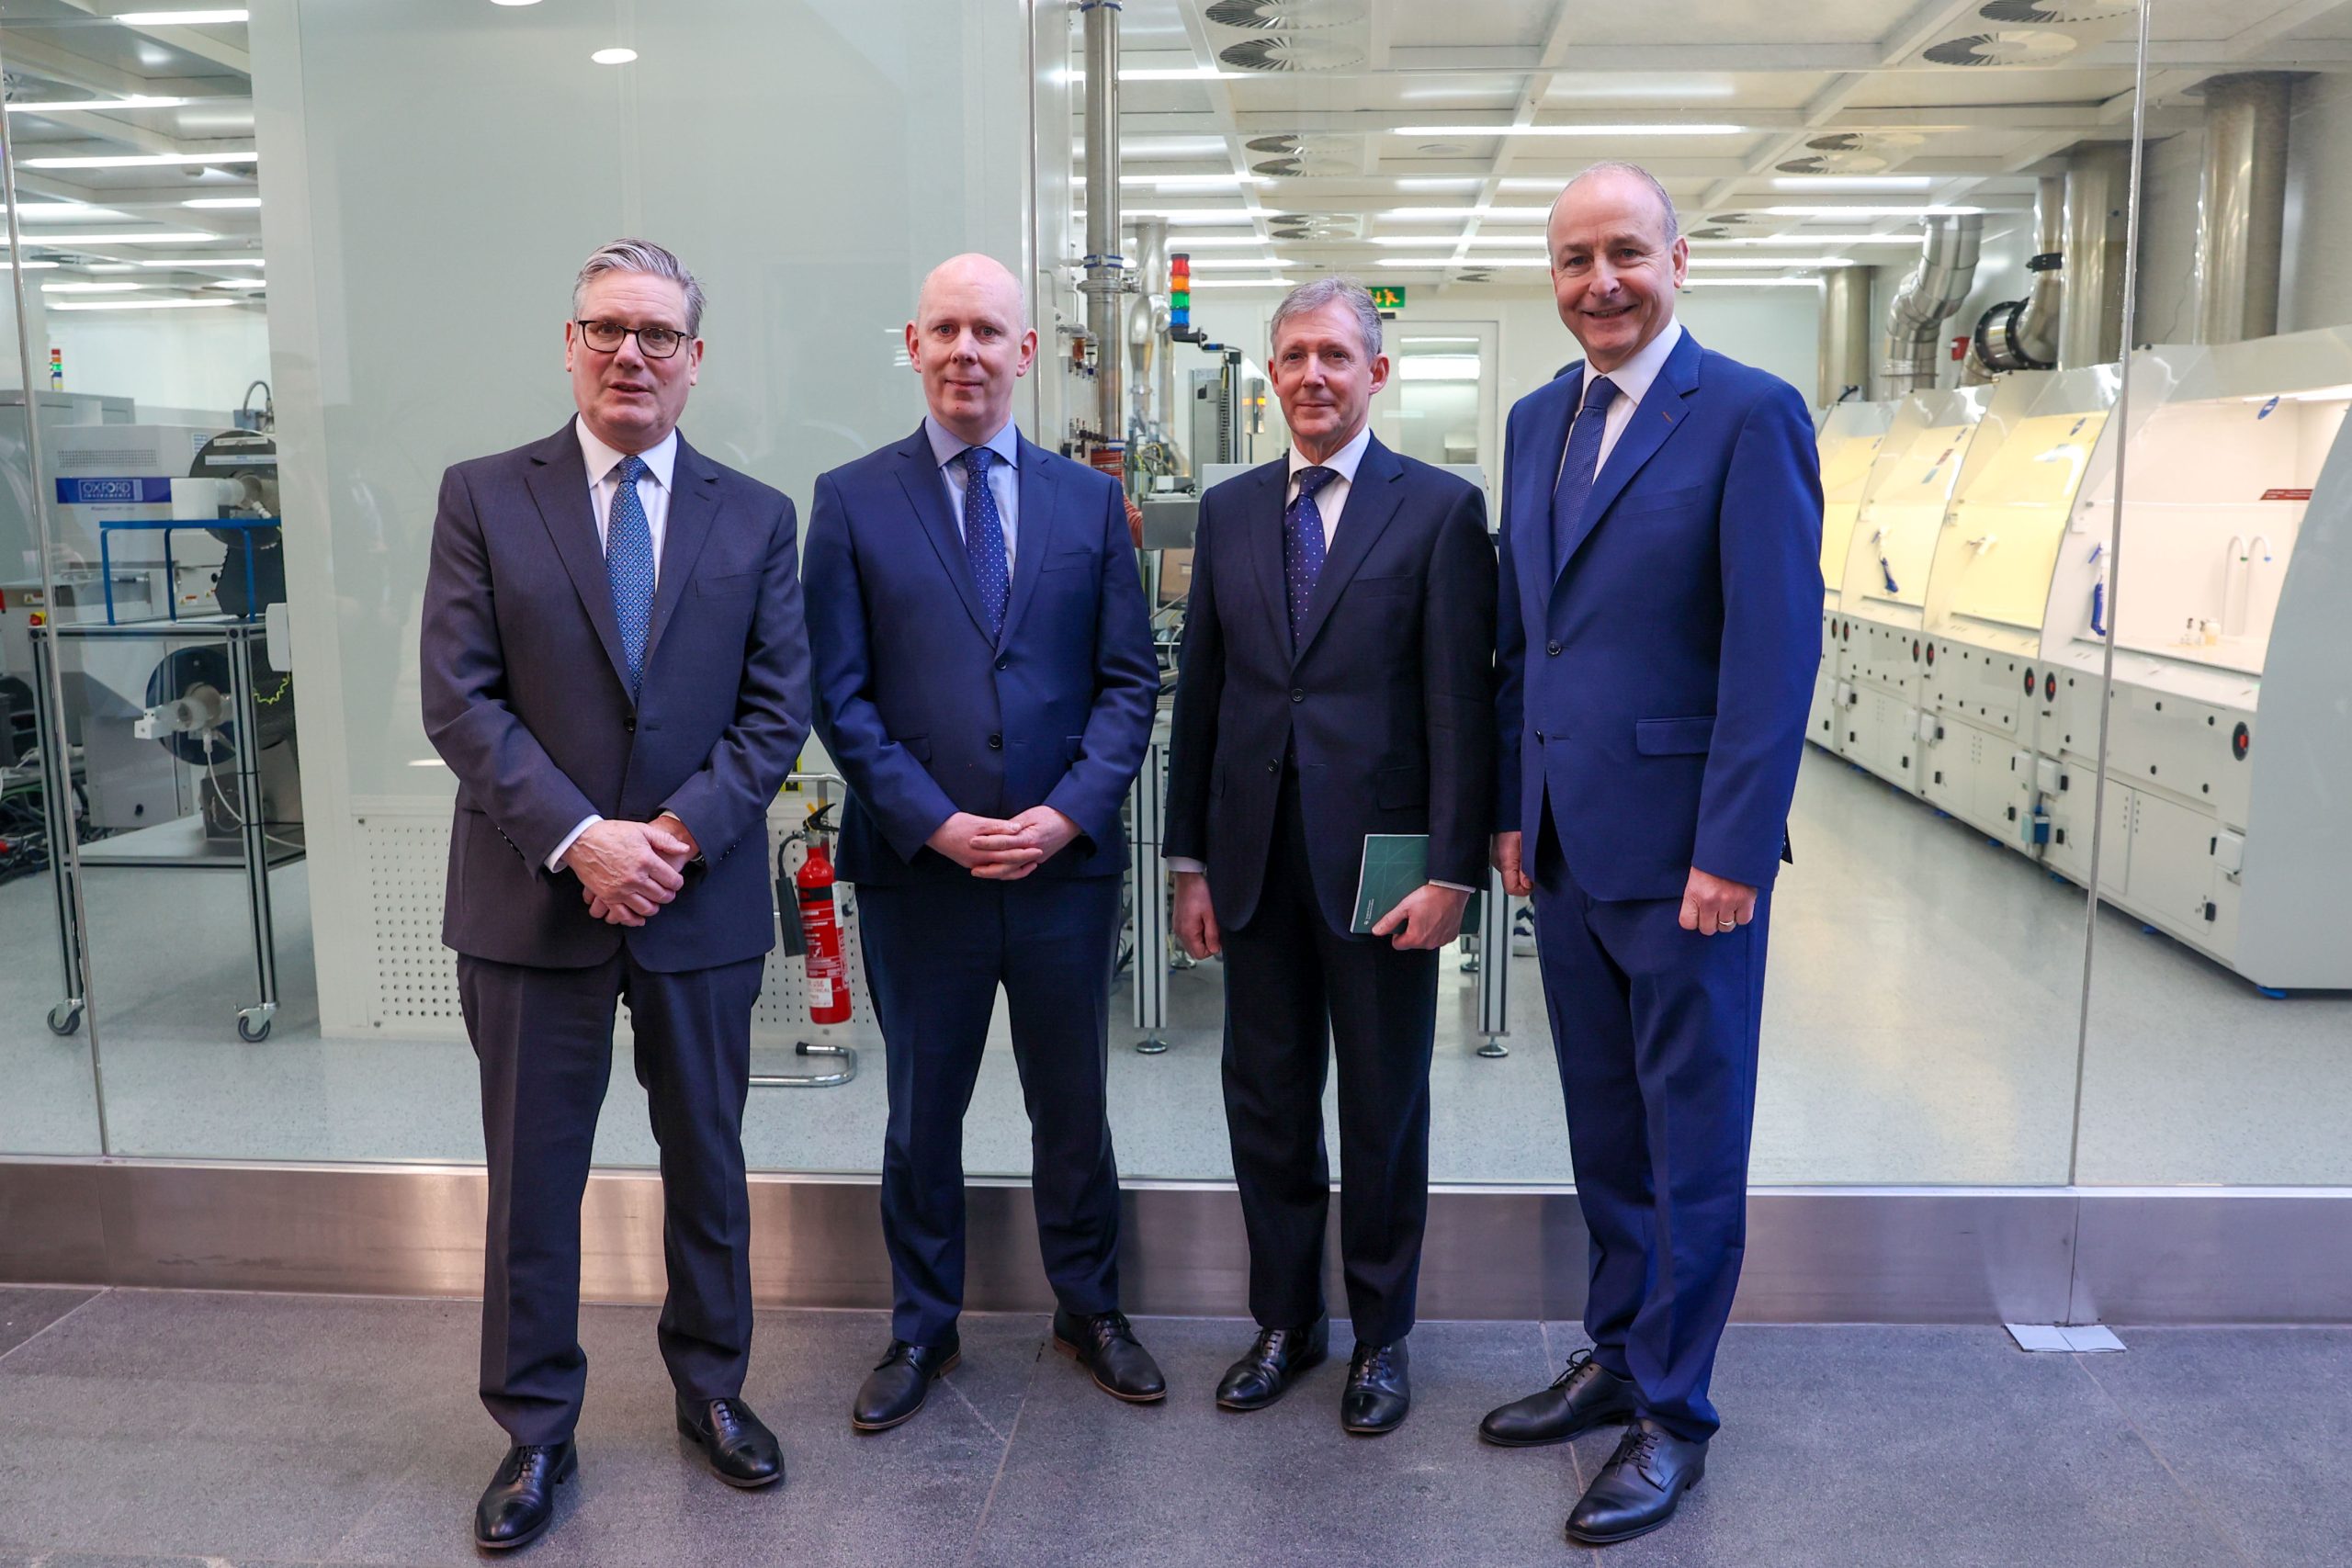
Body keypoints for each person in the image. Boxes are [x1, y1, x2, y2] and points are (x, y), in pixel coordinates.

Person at [421, 239, 811, 1551]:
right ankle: (535, 1428)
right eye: (606, 329)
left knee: (710, 1162)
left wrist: (672, 838)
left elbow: (775, 713)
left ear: (696, 359)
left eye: (657, 333)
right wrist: (585, 837)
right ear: (569, 343)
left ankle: (714, 1388)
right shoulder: (483, 495)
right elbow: (459, 700)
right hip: (534, 903)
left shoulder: (755, 516)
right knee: (535, 1177)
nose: (630, 352)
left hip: (695, 903)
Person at [1481, 163, 1822, 1546]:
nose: (1599, 281)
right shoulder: (1532, 419)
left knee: (1692, 1139)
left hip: (1693, 861)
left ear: (1679, 256)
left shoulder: (1746, 414)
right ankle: (1617, 1349)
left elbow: (1773, 646)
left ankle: (1675, 1413)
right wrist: (1514, 807)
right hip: (1567, 846)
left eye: (1625, 251)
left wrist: (1734, 844)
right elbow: (1529, 635)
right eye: (1574, 259)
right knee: (1607, 1129)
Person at [803, 254, 1163, 1432]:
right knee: (923, 1111)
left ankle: (1088, 1306)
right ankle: (923, 1325)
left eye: (988, 332)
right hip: (920, 874)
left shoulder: (1083, 503)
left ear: (1025, 351)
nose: (967, 351)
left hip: (1064, 870)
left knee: (1074, 1103)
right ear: (912, 344)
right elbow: (839, 698)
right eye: (945, 329)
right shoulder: (851, 500)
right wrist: (936, 822)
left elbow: (1126, 685)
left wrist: (1065, 813)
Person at [1163, 276, 1496, 1436]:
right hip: (1253, 860)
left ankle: (1382, 1338)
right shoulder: (1233, 509)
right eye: (1293, 356)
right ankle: (1284, 1322)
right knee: (1264, 1099)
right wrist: (1188, 862)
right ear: (1272, 376)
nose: (1312, 375)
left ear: (1375, 376)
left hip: (1383, 869)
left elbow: (1460, 705)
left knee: (1381, 1106)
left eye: (1335, 358)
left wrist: (1453, 871)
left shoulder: (1440, 512)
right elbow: (1202, 694)